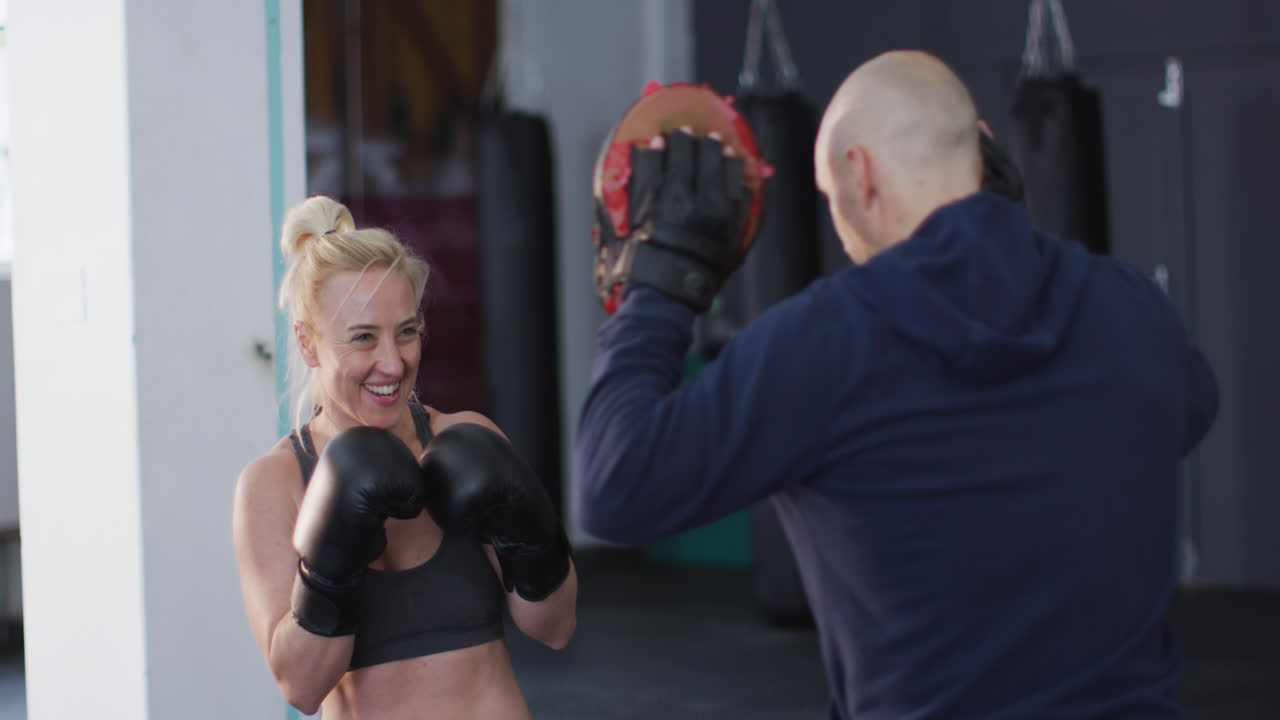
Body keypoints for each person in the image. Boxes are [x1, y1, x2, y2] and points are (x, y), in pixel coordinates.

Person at [574, 50, 1218, 719]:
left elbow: (614, 491)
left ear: (860, 174)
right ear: (985, 151)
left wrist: (657, 287)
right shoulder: (1134, 311)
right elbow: (1192, 407)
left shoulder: (824, 345)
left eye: (828, 197)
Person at [232, 195, 577, 719]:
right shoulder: (274, 485)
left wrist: (527, 531)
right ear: (307, 344)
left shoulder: (465, 438)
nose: (392, 363)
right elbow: (301, 688)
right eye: (364, 338)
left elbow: (555, 627)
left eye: (407, 332)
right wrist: (329, 562)